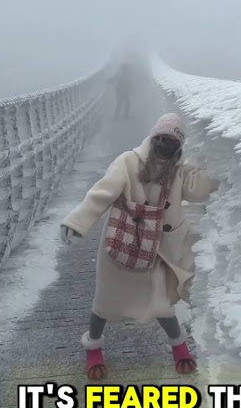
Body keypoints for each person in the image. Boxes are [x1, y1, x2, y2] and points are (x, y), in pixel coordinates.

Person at [59, 113, 219, 379]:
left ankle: (178, 347)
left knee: (161, 303)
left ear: (179, 147)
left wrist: (217, 165)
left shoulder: (178, 171)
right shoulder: (127, 162)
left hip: (156, 250)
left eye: (172, 144)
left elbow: (199, 189)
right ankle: (93, 345)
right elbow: (103, 191)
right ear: (154, 138)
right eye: (162, 140)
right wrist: (77, 222)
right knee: (105, 302)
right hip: (120, 244)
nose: (165, 148)